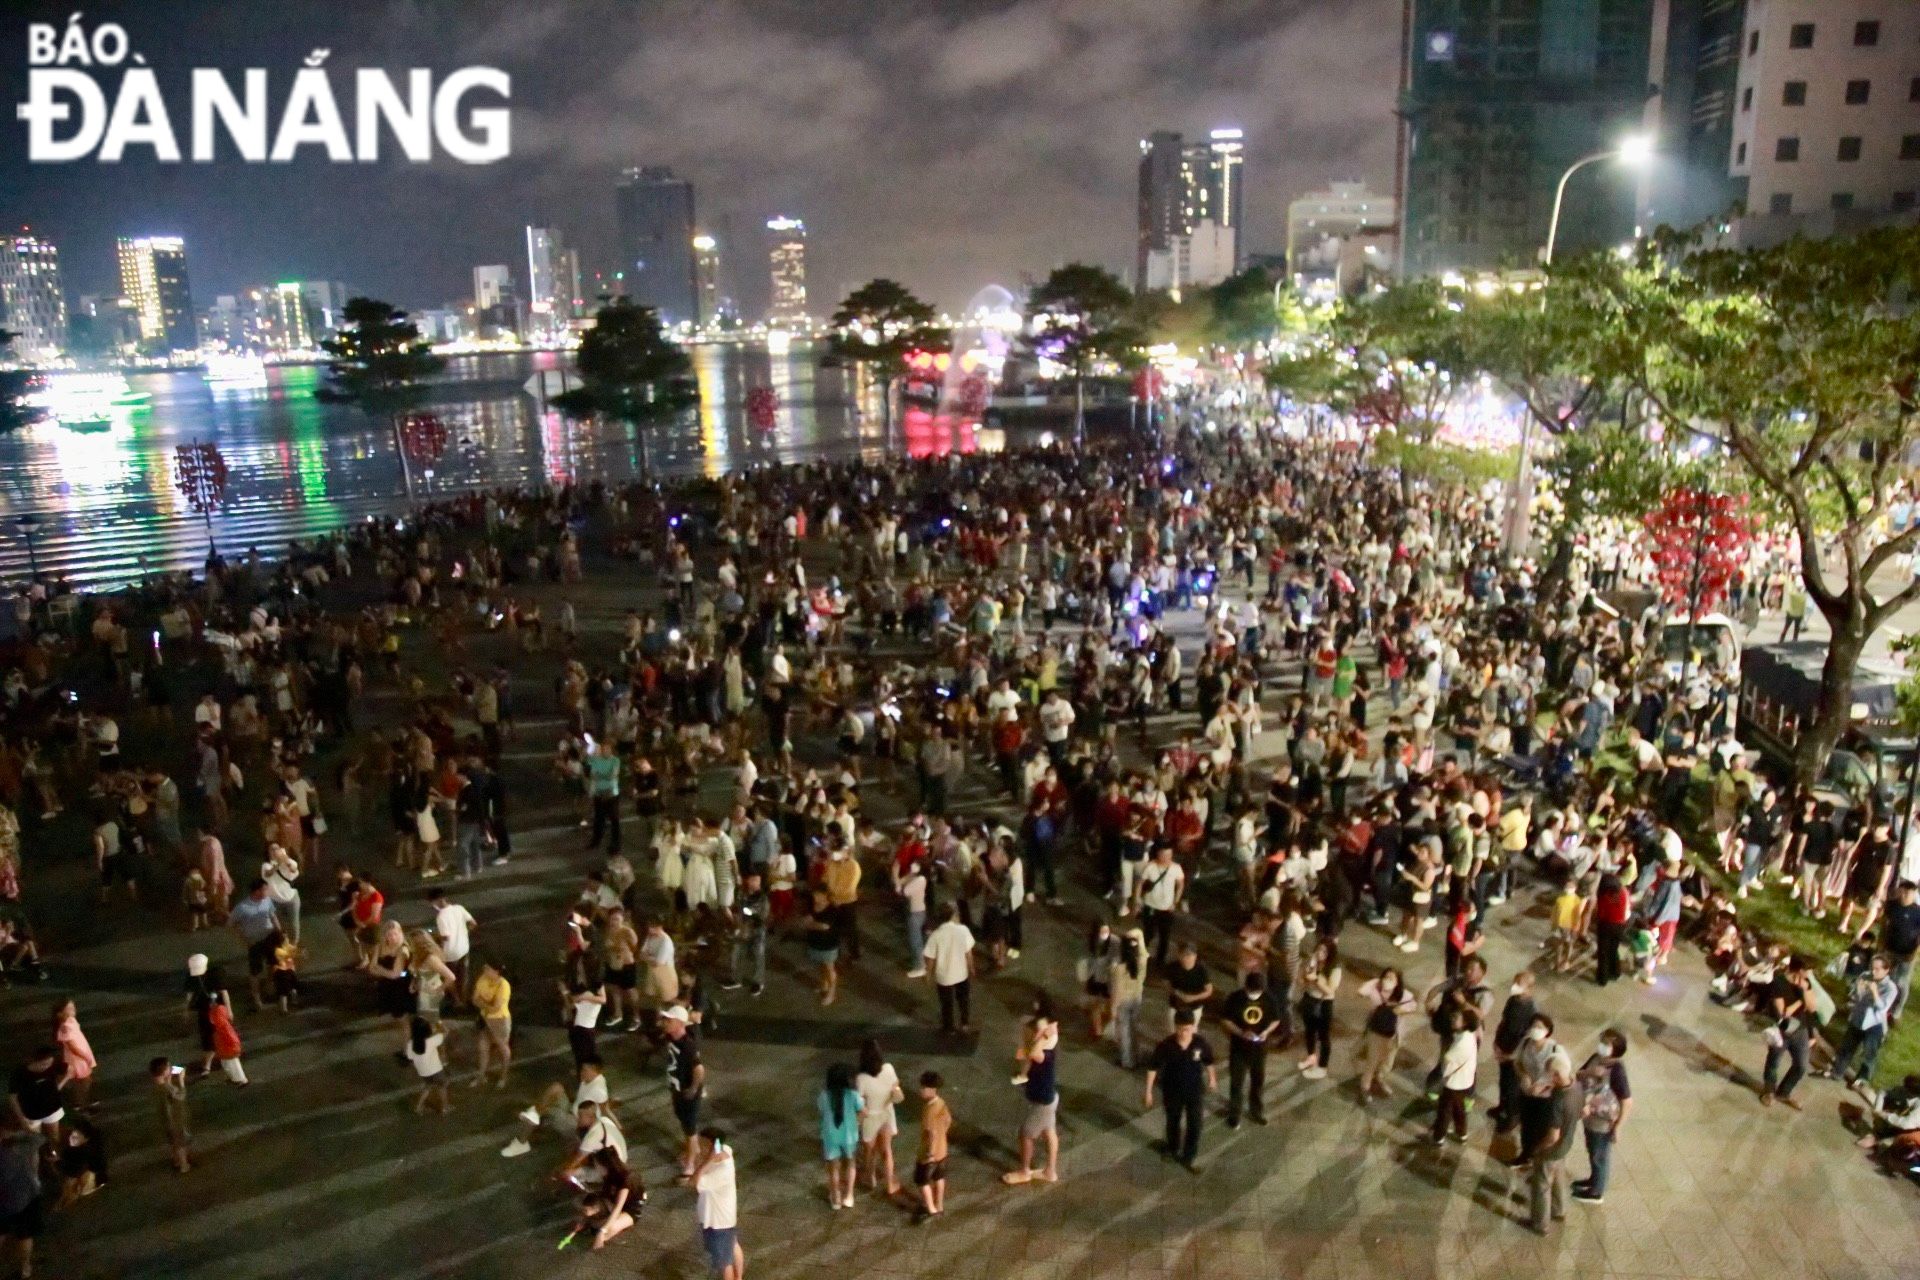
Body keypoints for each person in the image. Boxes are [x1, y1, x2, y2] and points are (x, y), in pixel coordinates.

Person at [1144, 1010, 1217, 1170]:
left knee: (1195, 1124)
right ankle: (1172, 1148)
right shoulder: (1166, 1045)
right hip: (1172, 1091)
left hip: (1195, 1091)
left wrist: (1212, 1078)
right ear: (1175, 1027)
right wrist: (1148, 1091)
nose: (1183, 1033)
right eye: (1180, 1029)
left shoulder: (1200, 1043)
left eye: (1187, 1029)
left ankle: (1189, 1156)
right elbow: (1153, 1067)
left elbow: (1209, 1061)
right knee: (1173, 1121)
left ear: (1193, 1027)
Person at [1002, 994, 1060, 1186]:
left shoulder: (1045, 1055)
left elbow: (1034, 1052)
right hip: (1050, 1097)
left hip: (1042, 1100)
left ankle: (1025, 1171)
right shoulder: (1049, 1051)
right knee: (1049, 1132)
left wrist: (1043, 1035)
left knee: (1026, 1135)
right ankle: (1050, 1171)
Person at [1571, 1029, 1631, 1204]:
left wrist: (1618, 1127)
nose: (1602, 1046)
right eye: (1602, 1042)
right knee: (1592, 1150)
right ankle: (1593, 1179)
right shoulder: (1596, 1058)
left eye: (1606, 1044)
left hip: (1603, 1123)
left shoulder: (1617, 1070)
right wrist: (1591, 1072)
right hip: (1589, 1117)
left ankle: (1597, 1192)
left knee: (1600, 1155)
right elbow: (1579, 1075)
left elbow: (1627, 1101)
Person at [1526, 1059, 1581, 1234]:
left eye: (1551, 1073)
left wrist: (1538, 1149)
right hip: (1566, 1143)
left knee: (1542, 1184)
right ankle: (1559, 1210)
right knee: (1558, 1177)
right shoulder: (1576, 1087)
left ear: (1557, 1075)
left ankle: (1540, 1224)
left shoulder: (1559, 1102)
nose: (1548, 1076)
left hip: (1552, 1148)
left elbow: (1552, 1136)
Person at [1827, 953, 1898, 1085]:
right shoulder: (1865, 976)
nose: (1873, 971)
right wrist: (1858, 990)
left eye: (1877, 969)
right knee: (1847, 1047)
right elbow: (1856, 997)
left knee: (1869, 1053)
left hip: (1874, 1024)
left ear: (1886, 970)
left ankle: (1861, 1079)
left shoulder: (1890, 988)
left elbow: (1882, 1008)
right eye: (1872, 967)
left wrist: (1875, 992)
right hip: (1858, 1018)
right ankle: (1837, 1071)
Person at [1220, 970, 1277, 1127]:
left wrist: (1266, 1032)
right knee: (1237, 1082)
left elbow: (1275, 1019)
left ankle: (1256, 1111)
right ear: (1246, 987)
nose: (1255, 995)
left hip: (1259, 1048)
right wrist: (1240, 1032)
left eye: (1258, 992)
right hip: (1239, 1048)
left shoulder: (1268, 998)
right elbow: (1225, 1020)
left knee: (1257, 1081)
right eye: (1253, 992)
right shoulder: (1235, 998)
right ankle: (1234, 1114)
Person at [1759, 956, 1814, 1110]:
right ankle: (1768, 1091)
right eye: (1808, 971)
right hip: (1783, 1029)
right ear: (1800, 970)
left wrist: (1804, 990)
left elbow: (1812, 1007)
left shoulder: (1806, 983)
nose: (1810, 975)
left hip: (1800, 1029)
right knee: (1774, 1061)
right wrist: (1799, 1001)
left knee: (1801, 1065)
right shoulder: (1779, 982)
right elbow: (1784, 1012)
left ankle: (1784, 1092)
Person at [691, 1129, 744, 1280]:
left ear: (711, 1145)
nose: (699, 1148)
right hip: (726, 1217)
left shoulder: (720, 1172)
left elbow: (694, 1182)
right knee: (733, 1245)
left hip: (717, 1223)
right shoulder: (726, 1151)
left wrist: (703, 1161)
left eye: (702, 1144)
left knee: (724, 1262)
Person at [854, 1039, 903, 1197]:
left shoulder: (861, 1078)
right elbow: (896, 1084)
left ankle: (870, 1178)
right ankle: (890, 1184)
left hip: (871, 1117)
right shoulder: (888, 1068)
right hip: (887, 1113)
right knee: (887, 1150)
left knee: (869, 1151)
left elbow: (859, 1100)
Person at [662, 1005, 706, 1180]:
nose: (665, 1023)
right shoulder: (672, 1038)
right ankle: (693, 1149)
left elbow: (699, 1069)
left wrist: (693, 1089)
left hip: (687, 1093)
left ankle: (690, 1163)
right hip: (677, 1090)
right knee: (685, 1123)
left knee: (690, 1128)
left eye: (669, 1020)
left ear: (679, 1024)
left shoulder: (688, 1046)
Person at [0, 1122, 45, 1280]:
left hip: (3, 1202)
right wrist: (17, 1134)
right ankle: (25, 1267)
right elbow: (38, 1138)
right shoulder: (16, 1149)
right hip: (24, 1198)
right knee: (24, 1235)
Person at [922, 904, 976, 1035]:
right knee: (963, 999)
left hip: (944, 975)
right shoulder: (963, 930)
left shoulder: (935, 935)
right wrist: (971, 968)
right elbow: (968, 953)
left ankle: (949, 1027)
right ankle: (964, 1023)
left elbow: (930, 958)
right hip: (961, 972)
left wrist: (928, 974)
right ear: (953, 916)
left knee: (946, 1003)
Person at [818, 1062, 863, 1209]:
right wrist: (857, 1122)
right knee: (851, 1163)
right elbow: (864, 1111)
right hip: (849, 1135)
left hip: (831, 1135)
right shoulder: (853, 1095)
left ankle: (835, 1197)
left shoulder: (824, 1096)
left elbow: (822, 1111)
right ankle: (849, 1196)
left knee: (833, 1167)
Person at [1429, 1010, 1478, 1145]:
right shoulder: (1468, 1035)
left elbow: (1447, 1060)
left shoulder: (1462, 1043)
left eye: (1457, 1018)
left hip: (1454, 1082)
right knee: (1458, 1107)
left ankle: (1438, 1137)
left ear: (1465, 1023)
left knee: (1444, 1110)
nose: (1453, 1019)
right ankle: (1461, 1133)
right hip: (1464, 1080)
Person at [911, 1071, 950, 1225]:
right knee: (939, 1177)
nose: (921, 1090)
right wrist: (943, 1135)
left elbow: (931, 1133)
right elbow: (947, 1120)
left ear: (932, 1089)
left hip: (930, 1153)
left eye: (923, 1088)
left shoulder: (929, 1110)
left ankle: (931, 1208)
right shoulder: (941, 1103)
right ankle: (939, 1205)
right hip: (943, 1150)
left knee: (922, 1181)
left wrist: (929, 1153)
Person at [471, 959, 512, 1088]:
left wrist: (482, 1003)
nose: (485, 970)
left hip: (499, 1021)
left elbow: (496, 1007)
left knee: (502, 1048)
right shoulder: (483, 978)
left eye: (488, 968)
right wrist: (486, 1004)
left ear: (496, 972)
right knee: (482, 1048)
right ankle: (481, 1076)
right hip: (485, 1018)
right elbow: (474, 999)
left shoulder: (504, 986)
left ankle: (503, 1076)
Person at [148, 1057, 192, 1173]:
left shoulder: (157, 1087)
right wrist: (181, 1081)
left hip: (165, 1120)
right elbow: (180, 1096)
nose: (171, 1068)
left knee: (173, 1141)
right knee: (180, 1144)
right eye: (169, 1067)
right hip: (175, 1120)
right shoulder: (167, 1089)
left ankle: (176, 1160)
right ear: (164, 1072)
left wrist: (169, 1080)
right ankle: (184, 1165)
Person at [50, 1003, 94, 1115]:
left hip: (80, 1057)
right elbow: (72, 1047)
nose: (73, 1009)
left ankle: (80, 1103)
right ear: (60, 1014)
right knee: (82, 1081)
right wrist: (86, 1057)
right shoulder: (65, 1027)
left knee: (83, 1080)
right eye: (69, 1008)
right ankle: (80, 1105)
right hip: (77, 1059)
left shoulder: (71, 1021)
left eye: (73, 1006)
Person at [405, 1014, 450, 1114]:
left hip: (423, 1071)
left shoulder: (410, 1044)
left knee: (427, 1087)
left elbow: (410, 1057)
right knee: (442, 1087)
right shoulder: (432, 1041)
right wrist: (439, 1023)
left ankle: (419, 1107)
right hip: (436, 1070)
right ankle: (445, 1107)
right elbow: (446, 1032)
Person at [804, 890, 842, 1006]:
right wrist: (812, 924)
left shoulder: (832, 909)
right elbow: (807, 919)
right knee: (822, 964)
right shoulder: (812, 905)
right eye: (815, 895)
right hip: (816, 941)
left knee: (829, 967)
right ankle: (824, 985)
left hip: (828, 944)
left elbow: (824, 926)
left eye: (818, 895)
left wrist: (810, 924)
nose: (815, 897)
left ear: (826, 896)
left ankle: (832, 993)